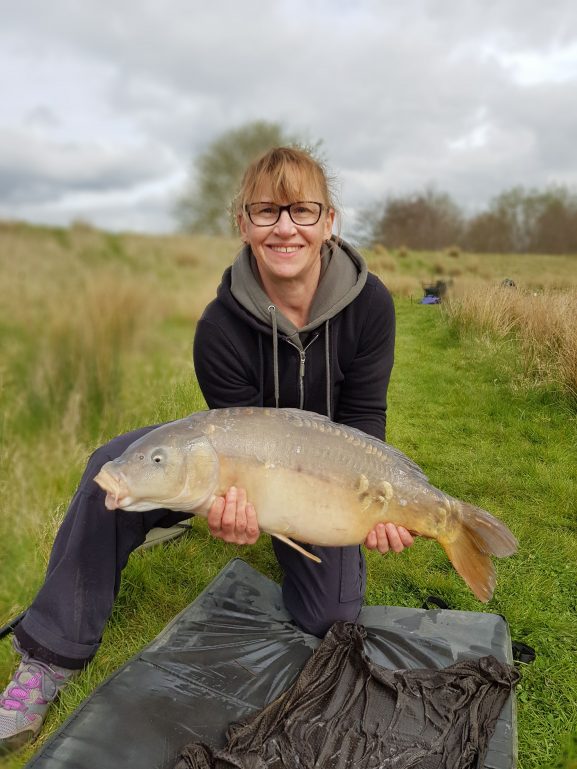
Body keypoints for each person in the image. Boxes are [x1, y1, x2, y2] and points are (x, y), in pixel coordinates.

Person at [0, 146, 414, 753]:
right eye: (266, 211)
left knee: (330, 621)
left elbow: (362, 422)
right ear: (243, 224)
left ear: (330, 222)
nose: (285, 227)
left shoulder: (370, 304)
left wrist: (375, 505)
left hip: (322, 476)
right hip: (233, 464)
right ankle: (48, 657)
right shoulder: (219, 326)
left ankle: (276, 536)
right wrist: (226, 509)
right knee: (108, 472)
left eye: (303, 210)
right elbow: (228, 436)